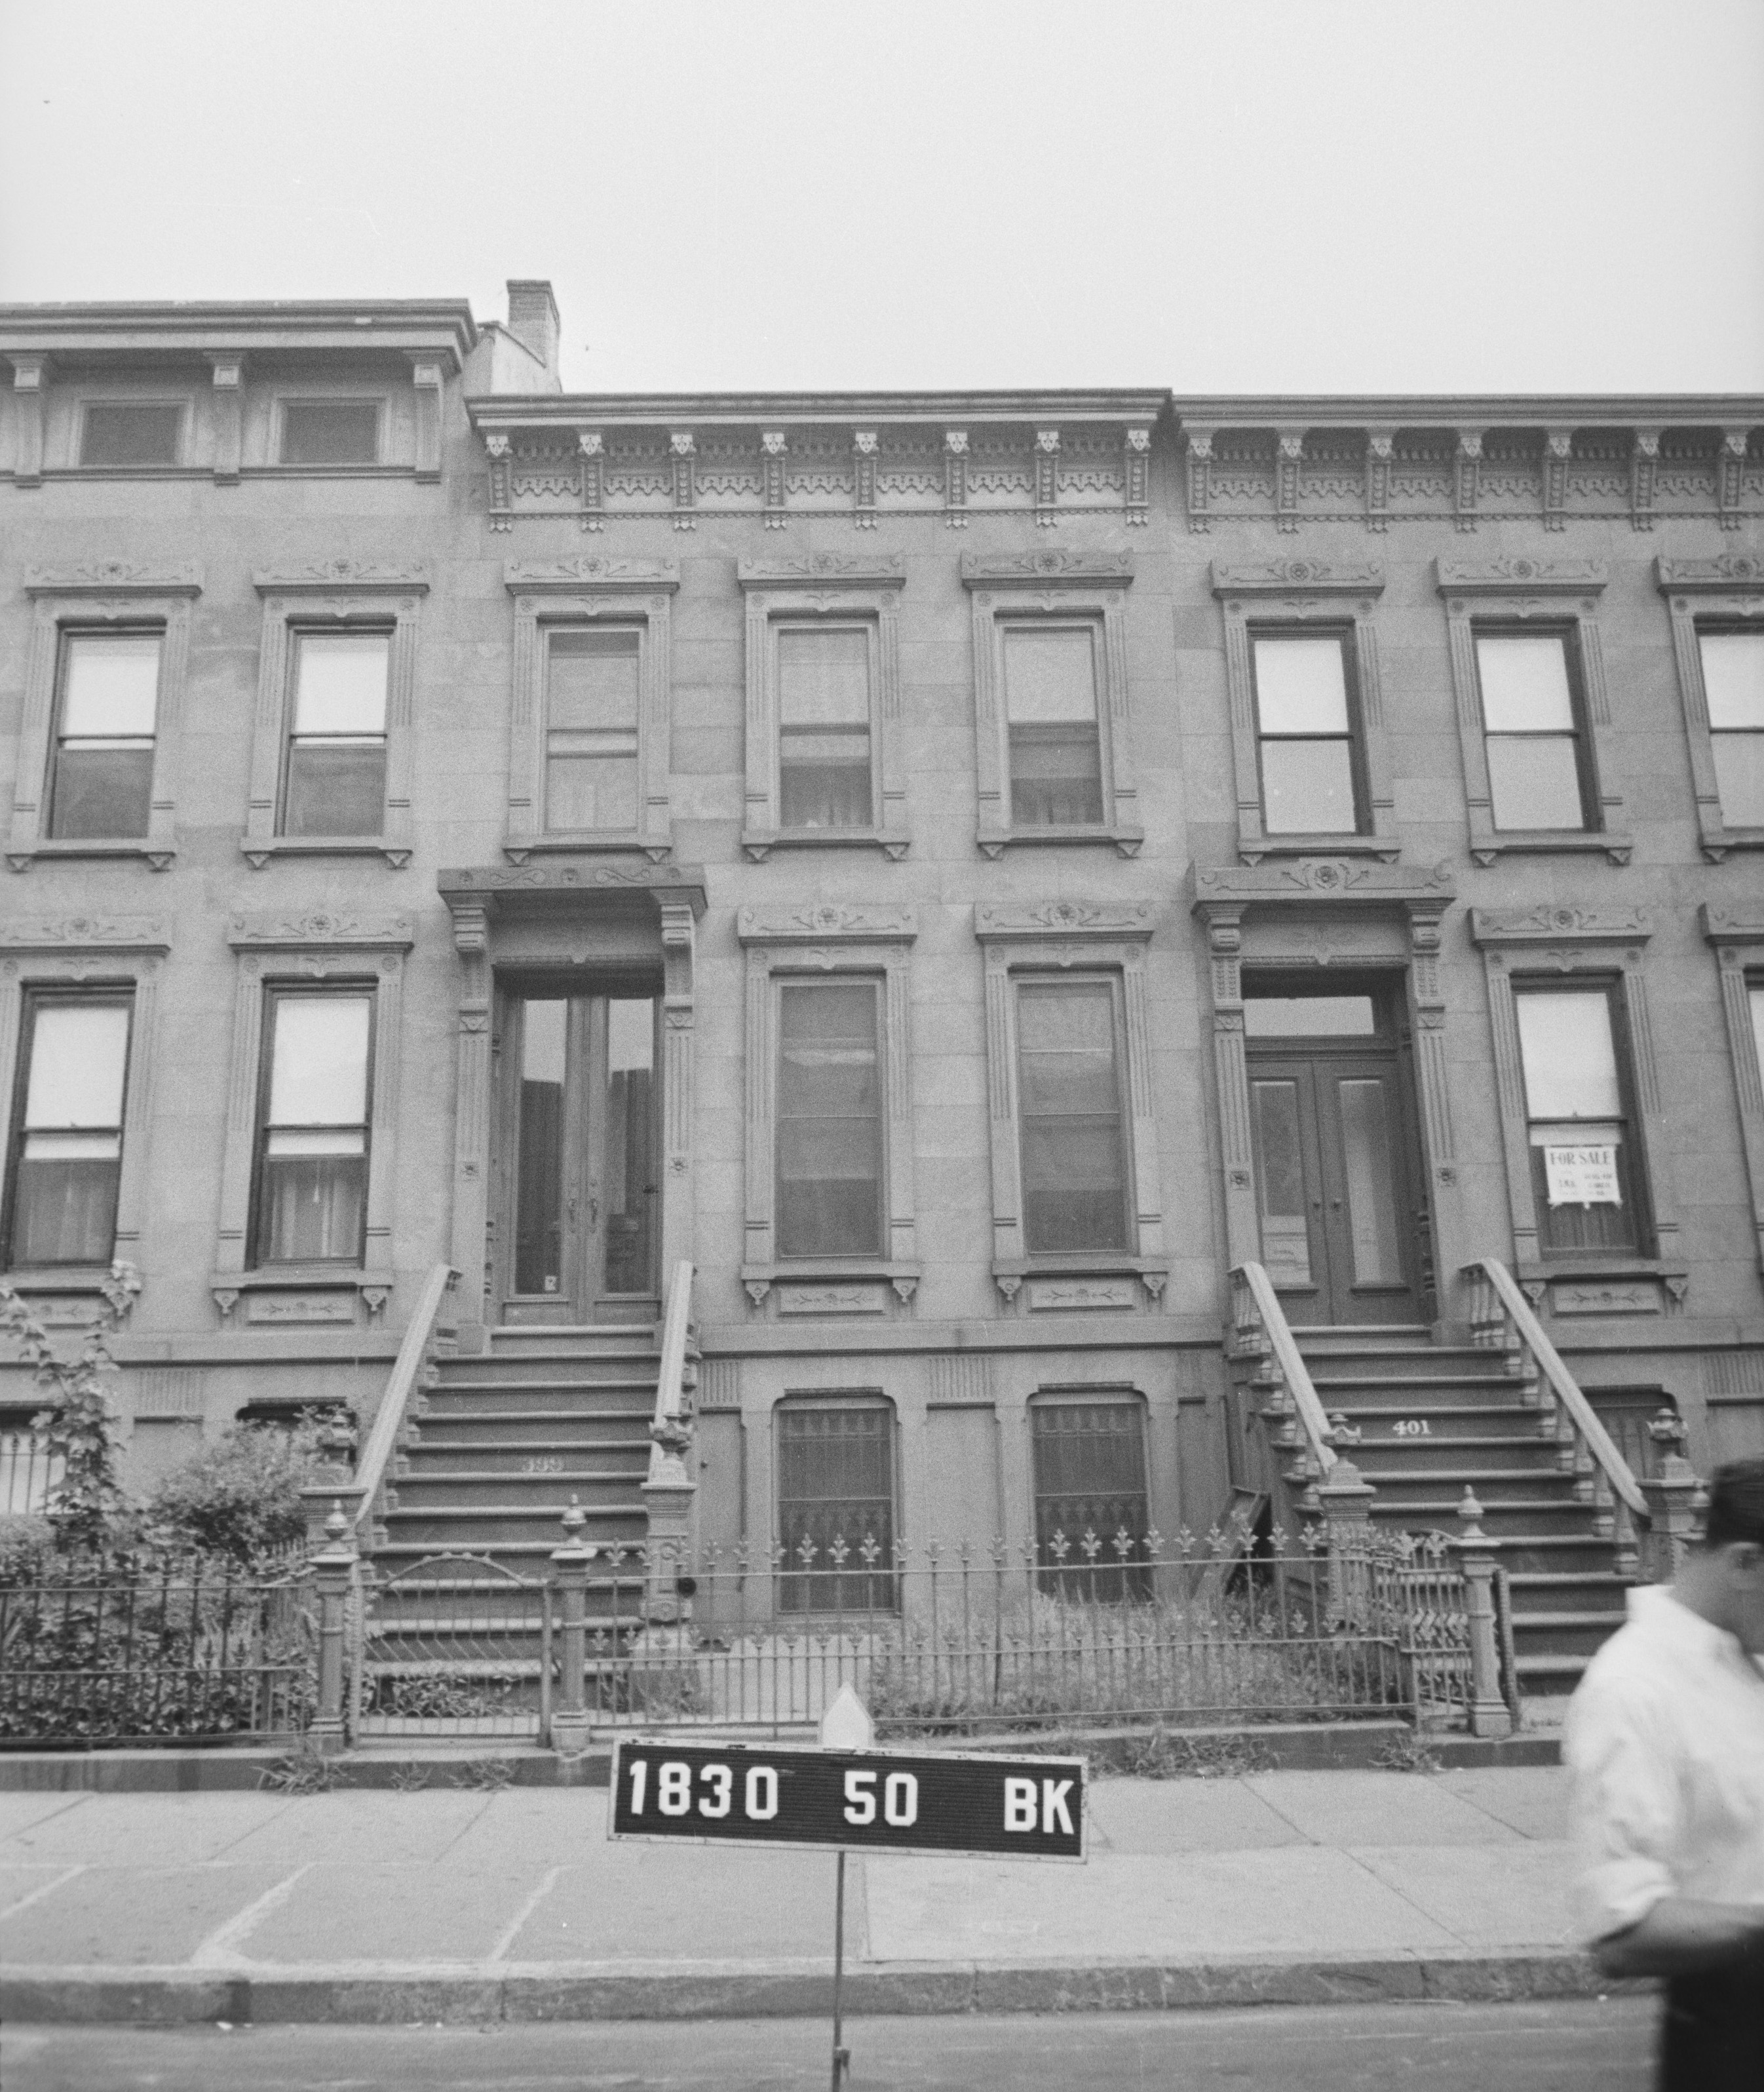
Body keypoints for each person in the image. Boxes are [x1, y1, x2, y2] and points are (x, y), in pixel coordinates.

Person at [1564, 1456, 1764, 2091]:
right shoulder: (1633, 1692)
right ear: (1742, 1563)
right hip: (1737, 2036)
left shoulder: (1743, 1658)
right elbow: (1623, 1931)